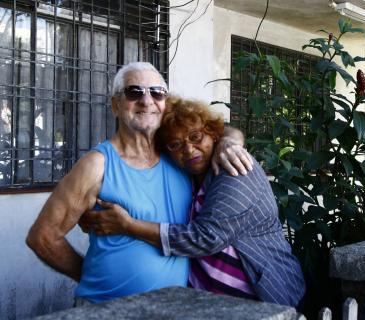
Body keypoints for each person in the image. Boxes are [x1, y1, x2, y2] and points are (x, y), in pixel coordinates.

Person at [26, 62, 252, 304]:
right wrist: (91, 276)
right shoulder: (97, 165)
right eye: (134, 92)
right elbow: (43, 236)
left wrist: (231, 141)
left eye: (156, 92)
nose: (146, 100)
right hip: (107, 310)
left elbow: (215, 130)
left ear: (164, 103)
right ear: (116, 104)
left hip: (174, 308)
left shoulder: (178, 155)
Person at [81, 96, 306, 307]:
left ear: (214, 135)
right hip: (206, 304)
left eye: (196, 138)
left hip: (261, 298)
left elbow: (206, 238)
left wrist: (128, 226)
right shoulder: (188, 175)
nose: (188, 149)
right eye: (175, 145)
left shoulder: (234, 170)